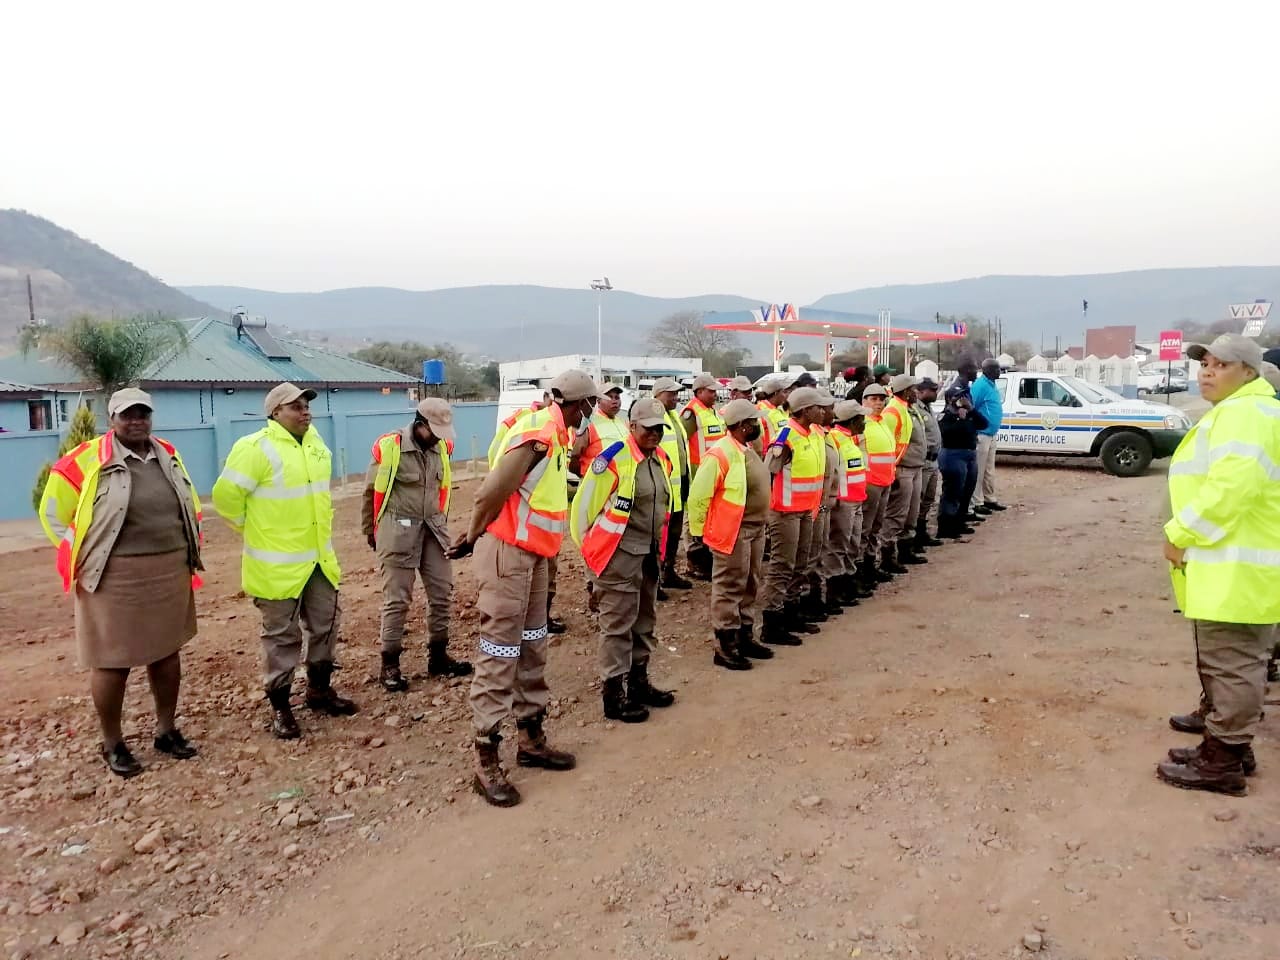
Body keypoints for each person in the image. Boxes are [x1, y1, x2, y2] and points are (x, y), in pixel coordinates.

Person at [448, 369, 597, 807]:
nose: (590, 413)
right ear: (580, 404)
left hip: (536, 557)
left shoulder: (559, 436)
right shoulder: (538, 435)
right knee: (500, 653)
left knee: (533, 645)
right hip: (509, 554)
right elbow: (490, 493)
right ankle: (485, 757)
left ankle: (531, 737)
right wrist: (473, 535)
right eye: (589, 405)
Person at [39, 388, 203, 777]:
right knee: (112, 662)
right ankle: (112, 742)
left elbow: (189, 501)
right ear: (111, 418)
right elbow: (52, 514)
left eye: (143, 414)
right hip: (113, 577)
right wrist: (81, 552)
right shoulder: (85, 460)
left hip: (168, 570)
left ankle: (166, 730)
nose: (136, 421)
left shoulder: (168, 453)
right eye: (127, 415)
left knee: (167, 654)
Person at [1156, 335, 1280, 796]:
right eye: (1204, 363)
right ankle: (1226, 741)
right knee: (1228, 659)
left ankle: (1223, 759)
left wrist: (1180, 532)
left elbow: (1231, 490)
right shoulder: (1243, 411)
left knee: (1235, 662)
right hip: (1229, 563)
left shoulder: (1247, 415)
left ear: (1248, 372)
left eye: (1221, 364)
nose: (1206, 371)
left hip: (1238, 566)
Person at [213, 382, 356, 740]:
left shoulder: (315, 444)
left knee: (326, 626)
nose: (305, 411)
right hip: (276, 568)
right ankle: (280, 707)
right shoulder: (254, 448)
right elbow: (226, 498)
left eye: (307, 405)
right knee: (281, 638)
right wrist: (254, 529)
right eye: (296, 406)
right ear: (275, 412)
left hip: (319, 562)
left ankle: (320, 691)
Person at [570, 398, 676, 722]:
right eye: (648, 429)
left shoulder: (661, 461)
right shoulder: (613, 460)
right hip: (616, 557)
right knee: (617, 626)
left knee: (645, 621)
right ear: (632, 427)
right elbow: (581, 513)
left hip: (647, 554)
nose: (654, 434)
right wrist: (592, 559)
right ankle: (613, 695)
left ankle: (639, 683)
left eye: (659, 428)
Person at [363, 398, 472, 693]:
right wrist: (371, 532)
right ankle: (390, 665)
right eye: (434, 430)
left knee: (442, 593)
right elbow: (372, 492)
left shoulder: (443, 449)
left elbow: (443, 488)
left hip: (433, 530)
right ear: (419, 423)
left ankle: (438, 657)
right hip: (398, 531)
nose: (439, 436)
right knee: (397, 600)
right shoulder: (391, 446)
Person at [686, 399, 776, 670]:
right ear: (741, 426)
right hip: (732, 531)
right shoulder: (720, 454)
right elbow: (698, 497)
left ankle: (744, 635)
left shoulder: (745, 449)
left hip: (754, 528)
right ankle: (725, 645)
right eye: (753, 423)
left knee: (750, 581)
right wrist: (698, 535)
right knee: (729, 587)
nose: (758, 426)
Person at [489, 390, 566, 634]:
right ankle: (522, 623)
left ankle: (541, 618)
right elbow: (497, 457)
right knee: (518, 582)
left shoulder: (560, 426)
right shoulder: (524, 421)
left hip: (548, 515)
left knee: (547, 573)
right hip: (523, 513)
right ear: (545, 397)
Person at [759, 386, 827, 645]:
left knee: (800, 564)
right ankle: (772, 623)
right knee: (781, 567)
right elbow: (770, 472)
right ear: (804, 410)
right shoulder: (786, 436)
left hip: (806, 511)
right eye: (817, 408)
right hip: (785, 513)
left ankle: (791, 612)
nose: (822, 412)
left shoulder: (812, 434)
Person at [823, 399, 872, 607]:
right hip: (843, 502)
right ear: (852, 421)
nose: (865, 422)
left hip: (856, 499)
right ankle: (835, 590)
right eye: (861, 419)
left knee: (852, 542)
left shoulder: (851, 439)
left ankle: (849, 583)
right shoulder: (834, 440)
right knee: (838, 545)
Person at [879, 374, 927, 572]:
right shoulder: (893, 411)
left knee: (911, 513)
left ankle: (905, 550)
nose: (916, 392)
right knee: (897, 514)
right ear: (906, 391)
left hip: (914, 467)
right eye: (913, 389)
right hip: (901, 468)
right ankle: (887, 557)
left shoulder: (906, 408)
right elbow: (888, 443)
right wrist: (893, 471)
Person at [680, 373, 727, 579]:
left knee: (709, 515)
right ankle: (694, 561)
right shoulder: (692, 413)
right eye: (711, 391)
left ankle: (705, 558)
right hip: (697, 471)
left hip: (713, 471)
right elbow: (683, 441)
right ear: (699, 392)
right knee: (694, 517)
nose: (715, 394)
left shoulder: (712, 412)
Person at [651, 377, 694, 592]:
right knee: (660, 535)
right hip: (663, 487)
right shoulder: (653, 418)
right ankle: (655, 579)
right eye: (672, 394)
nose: (676, 398)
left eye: (677, 394)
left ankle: (668, 572)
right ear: (658, 395)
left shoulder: (674, 416)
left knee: (674, 533)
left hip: (679, 484)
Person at [856, 384, 898, 590]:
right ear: (864, 401)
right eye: (873, 399)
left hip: (885, 482)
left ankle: (870, 564)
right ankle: (859, 570)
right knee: (865, 528)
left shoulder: (882, 423)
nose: (878, 403)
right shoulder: (861, 424)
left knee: (876, 527)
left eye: (881, 399)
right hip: (870, 484)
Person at [936, 384, 988, 538]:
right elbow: (948, 434)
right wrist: (962, 419)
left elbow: (983, 424)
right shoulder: (945, 416)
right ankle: (946, 527)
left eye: (964, 396)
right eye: (959, 396)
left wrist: (971, 410)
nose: (963, 399)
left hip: (969, 455)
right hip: (953, 455)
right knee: (953, 492)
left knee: (967, 491)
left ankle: (959, 521)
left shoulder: (968, 412)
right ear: (950, 399)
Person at [804, 391, 839, 618]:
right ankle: (808, 601)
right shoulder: (810, 435)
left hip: (823, 503)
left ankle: (816, 597)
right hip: (808, 506)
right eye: (825, 408)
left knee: (819, 551)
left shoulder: (824, 435)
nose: (829, 412)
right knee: (808, 555)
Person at [969, 358, 1007, 515]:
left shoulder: (992, 384)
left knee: (989, 469)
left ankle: (989, 498)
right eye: (997, 369)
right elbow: (972, 407)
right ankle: (977, 502)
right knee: (979, 469)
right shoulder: (980, 386)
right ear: (988, 370)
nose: (999, 371)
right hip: (982, 434)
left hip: (991, 434)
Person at [914, 379, 945, 550]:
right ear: (922, 391)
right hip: (923, 460)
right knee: (918, 500)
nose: (935, 393)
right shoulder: (915, 409)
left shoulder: (927, 407)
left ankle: (922, 531)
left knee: (928, 499)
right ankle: (914, 537)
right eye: (932, 390)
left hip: (933, 460)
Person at [755, 374, 793, 448]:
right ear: (776, 393)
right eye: (783, 392)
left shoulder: (780, 409)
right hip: (770, 453)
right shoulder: (762, 410)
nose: (785, 396)